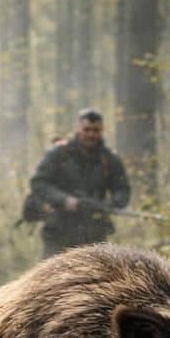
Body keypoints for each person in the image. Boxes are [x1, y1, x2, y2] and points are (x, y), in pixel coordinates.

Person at [28, 108, 131, 258]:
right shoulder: (59, 153)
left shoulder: (109, 159)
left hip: (94, 234)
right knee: (54, 278)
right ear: (79, 129)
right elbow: (38, 183)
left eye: (95, 130)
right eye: (87, 129)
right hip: (59, 230)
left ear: (102, 130)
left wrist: (111, 204)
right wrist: (64, 200)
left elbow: (123, 190)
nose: (91, 134)